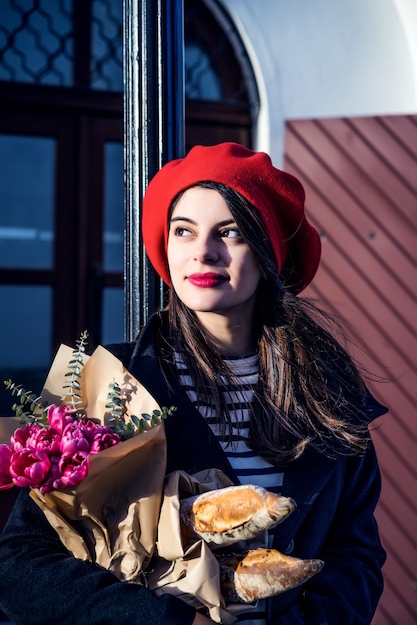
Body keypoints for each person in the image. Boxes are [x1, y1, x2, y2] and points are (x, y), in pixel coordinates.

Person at [0, 142, 387, 624]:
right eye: (184, 232)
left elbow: (356, 556)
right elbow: (21, 564)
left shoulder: (327, 393)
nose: (203, 251)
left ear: (267, 253)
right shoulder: (106, 386)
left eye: (230, 233)